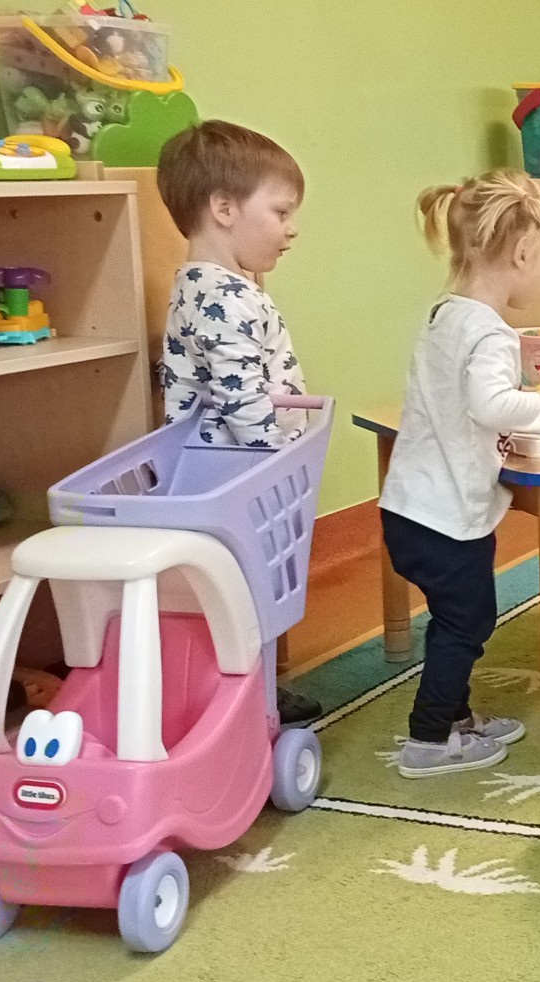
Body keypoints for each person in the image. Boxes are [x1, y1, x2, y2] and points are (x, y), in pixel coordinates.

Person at [375, 170, 540, 777]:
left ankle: (456, 719)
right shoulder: (491, 331)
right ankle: (429, 738)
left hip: (408, 507)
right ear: (524, 253)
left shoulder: (444, 315)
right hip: (446, 518)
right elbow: (490, 405)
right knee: (467, 621)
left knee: (453, 618)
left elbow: (461, 407)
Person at [155, 119, 322, 726]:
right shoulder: (219, 296)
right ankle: (248, 702)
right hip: (234, 473)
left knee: (246, 587)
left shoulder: (217, 286)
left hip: (228, 469)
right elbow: (240, 394)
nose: (291, 228)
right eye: (280, 212)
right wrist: (274, 459)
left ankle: (256, 690)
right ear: (224, 209)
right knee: (244, 588)